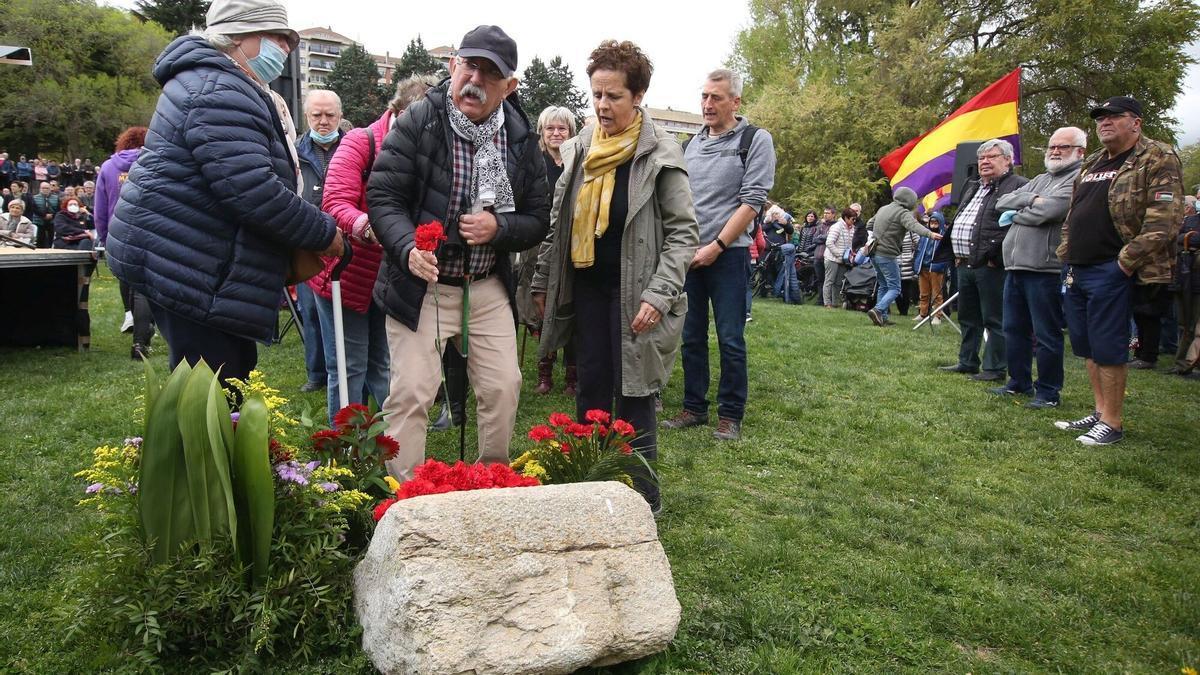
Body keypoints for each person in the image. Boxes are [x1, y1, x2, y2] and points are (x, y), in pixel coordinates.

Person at [107, 0, 343, 387]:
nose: (285, 48)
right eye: (276, 37)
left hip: (192, 254)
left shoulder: (219, 81)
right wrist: (323, 232)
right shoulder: (218, 88)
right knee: (211, 394)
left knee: (228, 376)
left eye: (288, 39)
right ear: (236, 36)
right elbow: (252, 190)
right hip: (185, 259)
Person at [367, 24, 550, 479]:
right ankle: (401, 500)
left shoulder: (522, 137)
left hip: (486, 286)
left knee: (504, 387)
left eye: (491, 74)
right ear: (453, 67)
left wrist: (499, 227)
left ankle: (491, 482)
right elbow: (383, 195)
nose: (476, 80)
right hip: (420, 284)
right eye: (470, 66)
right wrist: (408, 247)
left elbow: (538, 217)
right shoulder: (420, 120)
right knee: (410, 393)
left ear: (510, 87)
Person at [531, 40, 697, 513]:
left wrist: (660, 295)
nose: (602, 106)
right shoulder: (581, 147)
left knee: (635, 391)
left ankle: (642, 499)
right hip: (587, 288)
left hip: (639, 294)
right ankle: (592, 490)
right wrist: (543, 280)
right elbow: (559, 222)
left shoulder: (662, 152)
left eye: (614, 96)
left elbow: (684, 234)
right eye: (597, 94)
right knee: (591, 387)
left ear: (638, 95)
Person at [1054, 96, 1184, 445]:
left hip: (1112, 268)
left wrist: (1124, 264)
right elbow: (1073, 213)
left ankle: (1112, 422)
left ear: (1136, 122)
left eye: (1114, 116)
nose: (1105, 122)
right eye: (1100, 118)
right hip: (1078, 266)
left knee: (1109, 346)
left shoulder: (1157, 156)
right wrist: (1066, 251)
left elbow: (1164, 221)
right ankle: (1099, 412)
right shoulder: (1094, 161)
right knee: (1087, 346)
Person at [313, 76, 437, 426]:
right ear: (400, 113)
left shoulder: (421, 151)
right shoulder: (359, 142)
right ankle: (346, 452)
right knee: (350, 366)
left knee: (382, 364)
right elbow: (334, 201)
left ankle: (384, 446)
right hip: (348, 273)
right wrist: (372, 227)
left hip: (389, 278)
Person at [661, 68, 774, 441]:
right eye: (704, 96)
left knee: (729, 338)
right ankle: (693, 407)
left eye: (716, 97)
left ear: (735, 102)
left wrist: (717, 246)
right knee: (691, 336)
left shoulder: (756, 140)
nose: (707, 104)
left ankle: (730, 414)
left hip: (728, 256)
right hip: (688, 257)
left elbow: (753, 201)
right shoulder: (691, 144)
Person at [990, 126, 1086, 408]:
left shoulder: (1077, 179)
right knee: (1013, 329)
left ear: (1080, 151)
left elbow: (1052, 211)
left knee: (1046, 334)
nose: (1055, 151)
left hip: (1045, 269)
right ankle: (1018, 383)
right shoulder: (1041, 179)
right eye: (1052, 146)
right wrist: (1030, 201)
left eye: (1063, 147)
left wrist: (1019, 210)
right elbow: (1002, 202)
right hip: (1016, 267)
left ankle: (1047, 392)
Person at [937, 139, 1028, 377]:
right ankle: (967, 361)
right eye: (981, 158)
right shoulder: (972, 185)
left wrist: (995, 257)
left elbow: (1016, 227)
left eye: (992, 156)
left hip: (991, 265)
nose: (985, 161)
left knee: (994, 318)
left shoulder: (1019, 186)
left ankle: (995, 367)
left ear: (1008, 160)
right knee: (968, 317)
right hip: (964, 263)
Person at [523, 105, 579, 396]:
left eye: (562, 128)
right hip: (539, 244)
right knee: (543, 308)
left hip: (570, 244)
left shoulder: (577, 162)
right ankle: (544, 373)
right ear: (542, 132)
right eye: (550, 128)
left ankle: (573, 375)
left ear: (571, 132)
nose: (556, 133)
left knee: (571, 307)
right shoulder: (533, 162)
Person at [295, 89, 345, 393]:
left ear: (340, 115)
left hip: (345, 241)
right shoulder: (294, 151)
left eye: (329, 115)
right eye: (317, 115)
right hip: (306, 242)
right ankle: (316, 374)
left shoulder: (354, 146)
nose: (323, 121)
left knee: (341, 313)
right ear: (307, 116)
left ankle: (342, 369)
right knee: (310, 311)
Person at [96, 126, 154, 358]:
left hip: (118, 232)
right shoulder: (154, 162)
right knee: (143, 288)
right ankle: (140, 342)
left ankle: (131, 317)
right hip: (148, 231)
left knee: (127, 278)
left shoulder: (109, 167)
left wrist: (103, 236)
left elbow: (100, 207)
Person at [864, 187, 940, 326]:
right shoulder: (903, 213)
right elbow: (914, 226)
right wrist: (930, 234)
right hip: (887, 254)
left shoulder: (883, 208)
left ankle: (883, 318)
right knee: (895, 288)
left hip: (874, 253)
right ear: (908, 200)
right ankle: (878, 309)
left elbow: (869, 224)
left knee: (884, 286)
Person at [1170, 196, 1200, 377]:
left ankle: (1193, 362)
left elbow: (1188, 239)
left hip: (1194, 275)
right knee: (1184, 322)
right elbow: (1175, 236)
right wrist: (1187, 239)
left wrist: (1188, 240)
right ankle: (1182, 362)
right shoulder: (1190, 220)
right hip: (1185, 276)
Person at [914, 210, 949, 324]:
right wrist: (917, 264)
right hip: (923, 267)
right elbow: (919, 250)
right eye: (931, 222)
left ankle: (937, 316)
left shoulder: (943, 236)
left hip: (936, 268)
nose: (933, 224)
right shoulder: (925, 236)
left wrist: (941, 265)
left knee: (936, 294)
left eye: (936, 222)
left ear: (940, 222)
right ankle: (923, 313)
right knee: (923, 293)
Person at [762, 204, 798, 302]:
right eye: (774, 213)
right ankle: (764, 291)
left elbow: (790, 231)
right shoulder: (766, 221)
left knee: (778, 270)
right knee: (765, 270)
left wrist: (786, 224)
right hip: (767, 249)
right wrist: (771, 222)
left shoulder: (783, 221)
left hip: (780, 249)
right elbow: (762, 228)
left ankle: (777, 291)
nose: (776, 215)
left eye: (777, 213)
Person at [822, 207, 855, 308]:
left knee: (838, 282)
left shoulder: (852, 228)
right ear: (846, 218)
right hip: (831, 258)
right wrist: (839, 255)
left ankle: (835, 303)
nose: (854, 221)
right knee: (829, 280)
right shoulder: (837, 227)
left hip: (843, 260)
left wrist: (850, 254)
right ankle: (827, 303)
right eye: (852, 219)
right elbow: (829, 243)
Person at [811, 206, 836, 305]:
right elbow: (814, 239)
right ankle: (820, 300)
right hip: (818, 256)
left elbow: (832, 238)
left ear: (833, 214)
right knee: (820, 279)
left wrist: (821, 237)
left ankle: (829, 301)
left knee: (828, 280)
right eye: (824, 213)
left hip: (828, 257)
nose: (825, 215)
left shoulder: (836, 226)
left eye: (828, 213)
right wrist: (824, 237)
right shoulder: (820, 226)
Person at [30, 182, 59, 248]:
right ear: (40, 189)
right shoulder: (34, 197)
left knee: (51, 239)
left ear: (50, 189)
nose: (45, 190)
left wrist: (52, 215)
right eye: (43, 188)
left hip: (52, 221)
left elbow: (58, 209)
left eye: (47, 188)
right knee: (40, 239)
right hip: (39, 221)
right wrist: (44, 215)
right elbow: (34, 209)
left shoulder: (56, 198)